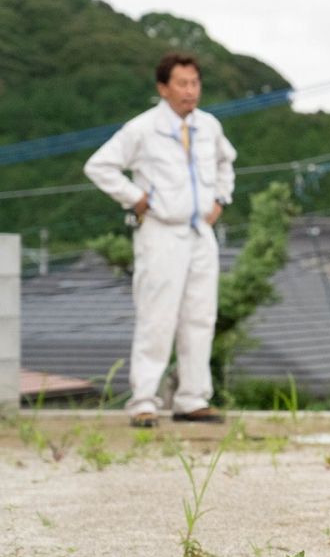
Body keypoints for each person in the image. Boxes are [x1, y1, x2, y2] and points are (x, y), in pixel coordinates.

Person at [85, 52, 237, 428]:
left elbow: (226, 163)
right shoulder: (143, 128)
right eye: (182, 84)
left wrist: (220, 199)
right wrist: (135, 198)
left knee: (200, 316)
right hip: (161, 231)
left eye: (195, 83)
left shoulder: (210, 126)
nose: (190, 91)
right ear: (163, 88)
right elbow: (99, 166)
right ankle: (144, 401)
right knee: (158, 316)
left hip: (201, 231)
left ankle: (192, 398)